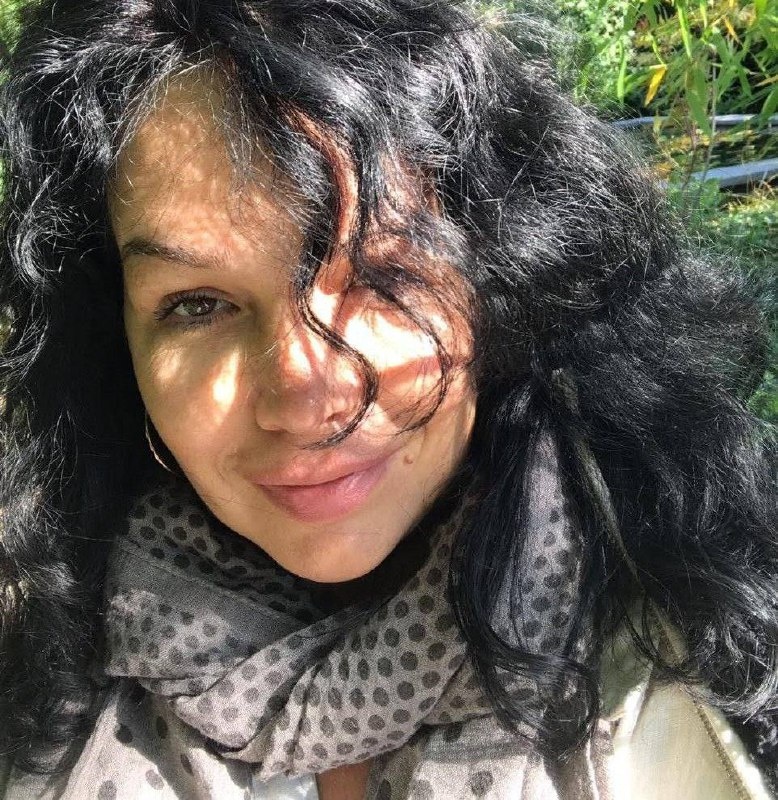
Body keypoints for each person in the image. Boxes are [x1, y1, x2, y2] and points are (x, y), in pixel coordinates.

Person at [0, 1, 775, 798]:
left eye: (381, 274)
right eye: (197, 303)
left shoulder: (697, 662)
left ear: (500, 274)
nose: (305, 399)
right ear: (116, 339)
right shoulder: (41, 657)